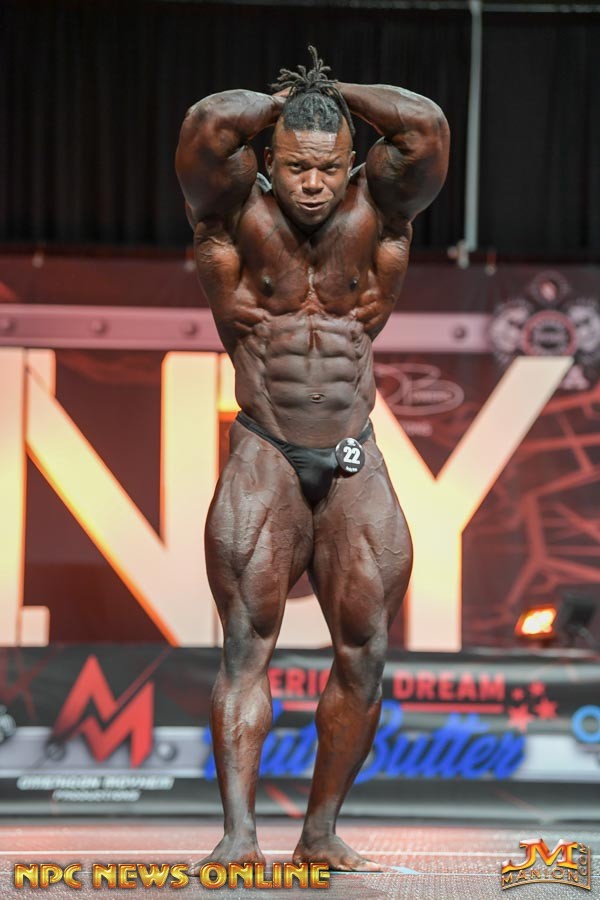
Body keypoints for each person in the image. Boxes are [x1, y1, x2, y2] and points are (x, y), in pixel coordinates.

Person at [175, 47, 449, 871]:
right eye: (296, 166)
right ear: (269, 157)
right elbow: (206, 125)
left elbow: (427, 127)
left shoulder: (380, 211)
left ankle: (320, 833)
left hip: (354, 455)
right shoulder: (232, 212)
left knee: (366, 652)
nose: (313, 185)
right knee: (245, 645)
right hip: (265, 450)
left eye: (329, 168)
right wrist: (287, 100)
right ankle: (239, 836)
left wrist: (333, 93)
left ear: (352, 161)